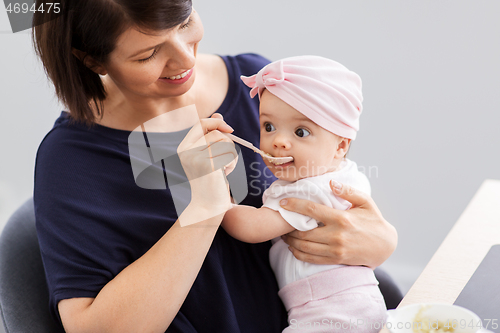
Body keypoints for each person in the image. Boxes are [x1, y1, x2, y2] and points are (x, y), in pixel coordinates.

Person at [32, 1, 399, 332]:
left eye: (184, 21)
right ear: (92, 60)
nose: (185, 59)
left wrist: (380, 241)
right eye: (149, 54)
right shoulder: (71, 161)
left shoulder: (260, 85)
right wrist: (204, 209)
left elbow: (331, 179)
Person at [221, 56, 387, 332]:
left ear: (340, 147)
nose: (279, 141)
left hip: (330, 307)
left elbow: (252, 227)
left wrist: (219, 197)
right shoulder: (344, 174)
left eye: (301, 131)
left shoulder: (312, 189)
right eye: (268, 127)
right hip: (350, 301)